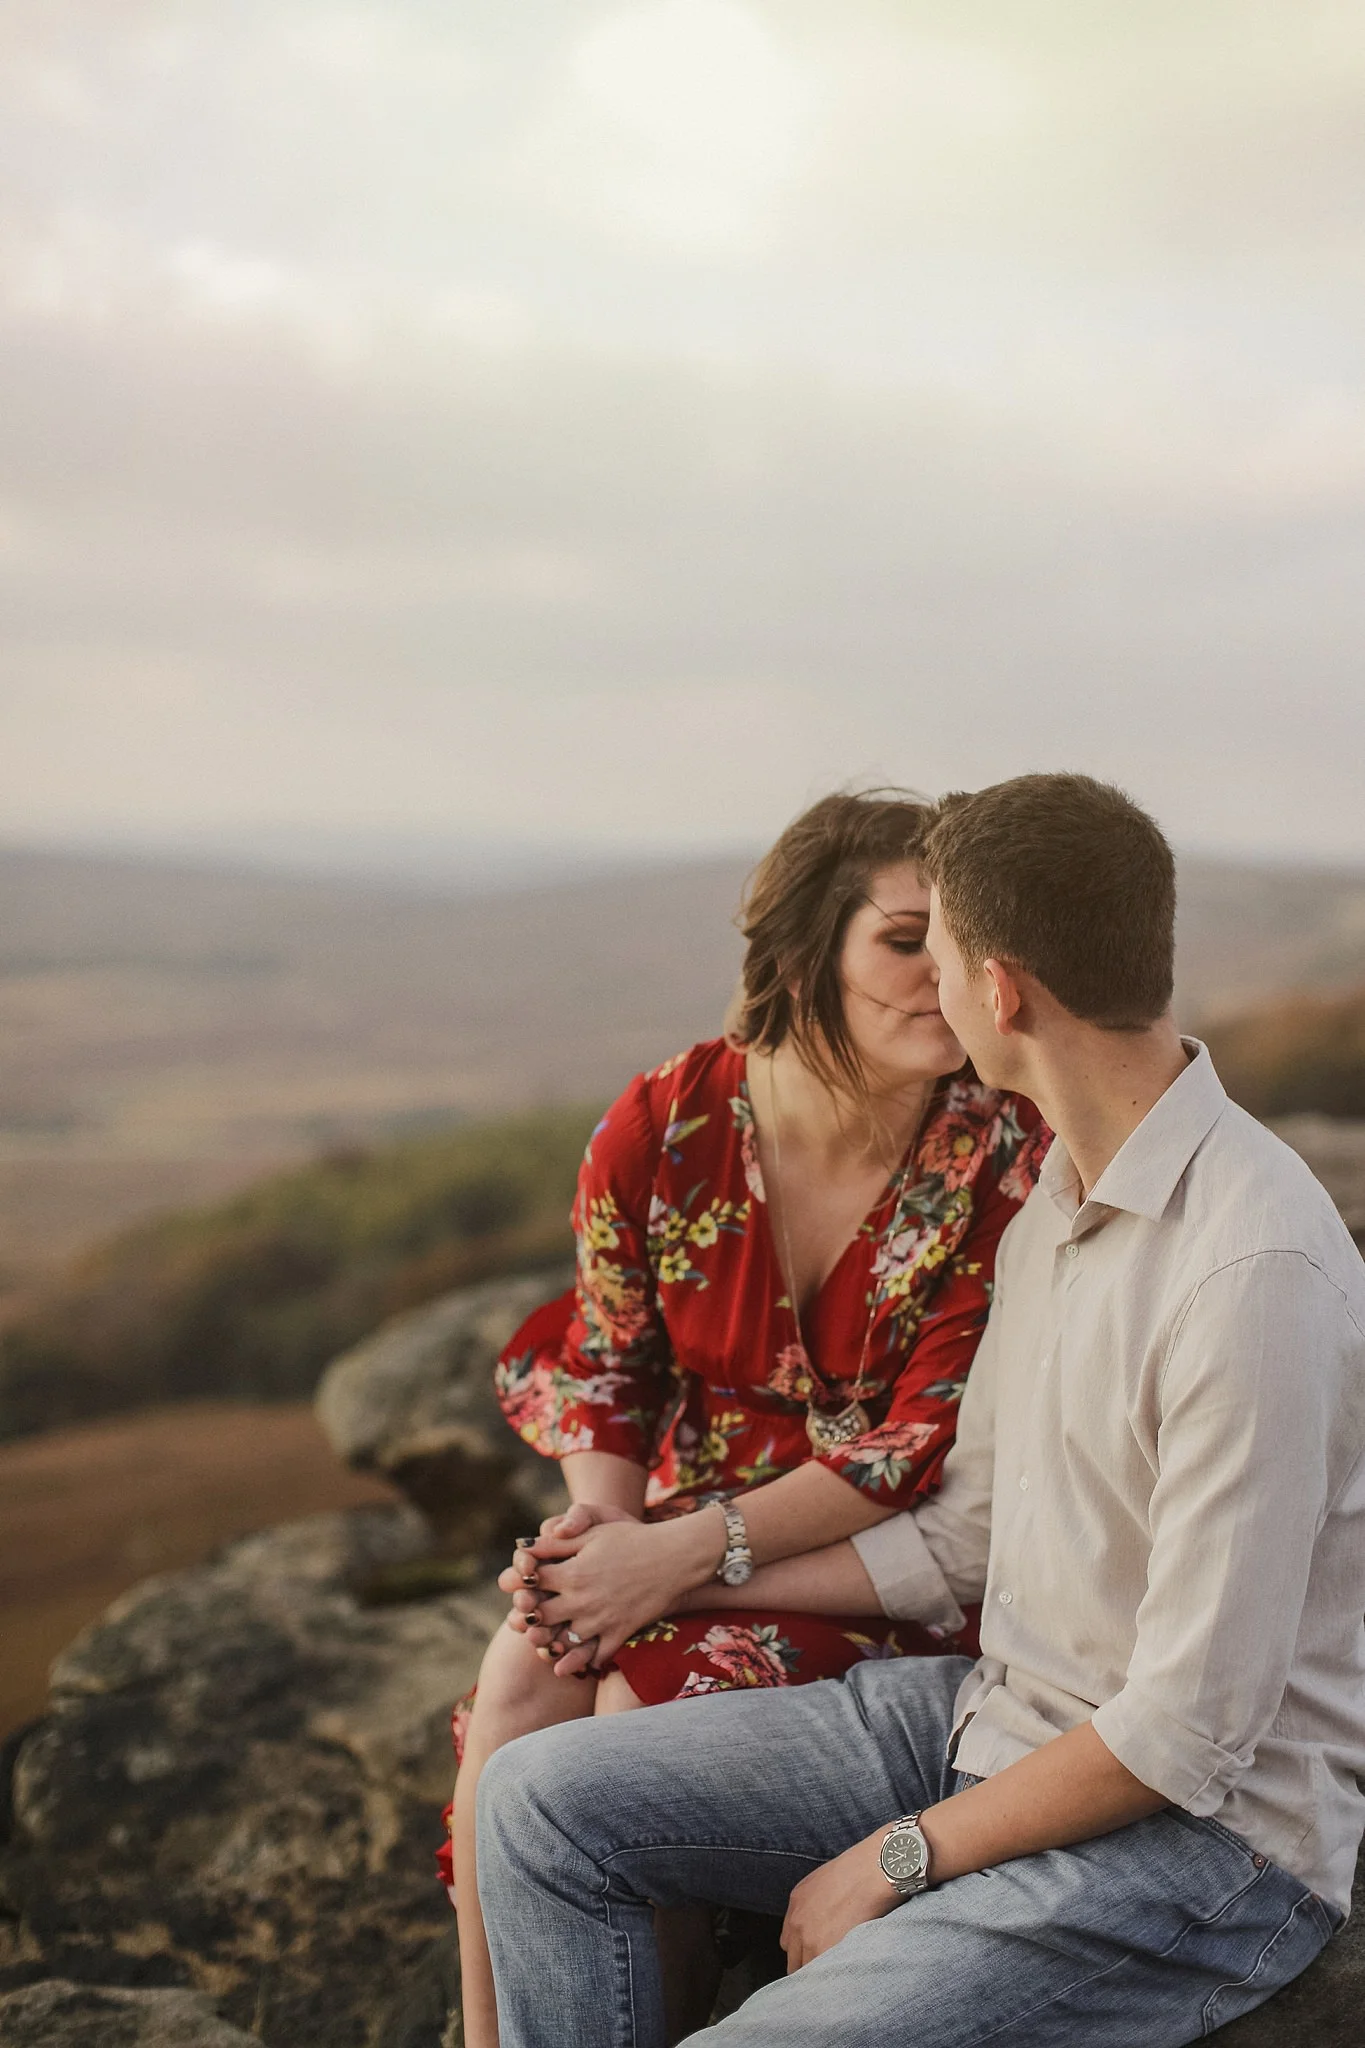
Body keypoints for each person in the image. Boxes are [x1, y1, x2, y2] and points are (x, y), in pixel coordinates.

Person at [476, 771, 1365, 2048]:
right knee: (535, 1800)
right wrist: (669, 1580)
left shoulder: (1249, 1275)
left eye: (936, 955)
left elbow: (1189, 1729)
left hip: (1199, 1848)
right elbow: (965, 1536)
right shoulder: (1055, 1198)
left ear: (999, 990)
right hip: (992, 1719)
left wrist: (897, 1856)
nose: (932, 992)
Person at [446, 790, 1049, 2048]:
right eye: (903, 938)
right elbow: (607, 1363)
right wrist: (591, 1549)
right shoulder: (665, 1121)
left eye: (956, 941)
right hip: (669, 1514)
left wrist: (668, 1561)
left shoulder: (1004, 1150)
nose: (942, 973)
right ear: (800, 954)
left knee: (638, 1713)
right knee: (518, 1681)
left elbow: (909, 1445)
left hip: (877, 1562)